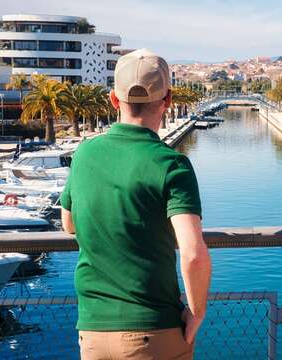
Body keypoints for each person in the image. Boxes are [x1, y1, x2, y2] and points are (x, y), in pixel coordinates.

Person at [61, 49, 211, 360]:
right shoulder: (171, 165)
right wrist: (196, 312)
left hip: (93, 332)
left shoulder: (85, 154)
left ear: (114, 100)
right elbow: (193, 254)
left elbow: (69, 223)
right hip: (154, 331)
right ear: (167, 100)